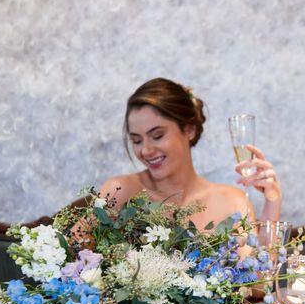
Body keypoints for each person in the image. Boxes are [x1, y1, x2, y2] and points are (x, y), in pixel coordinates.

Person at [98, 77, 282, 230]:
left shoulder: (231, 203)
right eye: (136, 140)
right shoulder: (119, 191)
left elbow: (260, 272)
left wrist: (272, 202)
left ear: (189, 130)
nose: (146, 150)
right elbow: (70, 259)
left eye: (157, 135)